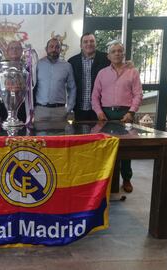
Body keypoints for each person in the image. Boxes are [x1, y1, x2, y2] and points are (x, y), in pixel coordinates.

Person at [92, 40, 143, 193]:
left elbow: (138, 94)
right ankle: (105, 180)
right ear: (108, 55)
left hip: (125, 114)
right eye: (113, 51)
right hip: (106, 115)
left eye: (120, 51)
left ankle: (126, 179)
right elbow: (95, 96)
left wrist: (131, 112)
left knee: (127, 149)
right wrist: (99, 112)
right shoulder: (102, 73)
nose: (117, 53)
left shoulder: (132, 72)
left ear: (123, 54)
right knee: (105, 148)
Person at [68, 33, 111, 121]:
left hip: (101, 109)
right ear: (81, 45)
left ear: (96, 43)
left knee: (99, 134)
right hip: (79, 109)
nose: (89, 44)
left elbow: (119, 66)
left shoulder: (106, 59)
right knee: (80, 134)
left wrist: (129, 64)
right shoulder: (72, 61)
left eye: (92, 41)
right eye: (85, 42)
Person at [34, 38, 76, 122]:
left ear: (60, 50)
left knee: (58, 135)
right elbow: (33, 86)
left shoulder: (67, 66)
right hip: (41, 110)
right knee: (39, 135)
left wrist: (69, 108)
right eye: (51, 47)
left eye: (57, 47)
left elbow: (72, 88)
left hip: (59, 110)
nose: (54, 49)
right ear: (46, 49)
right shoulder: (37, 65)